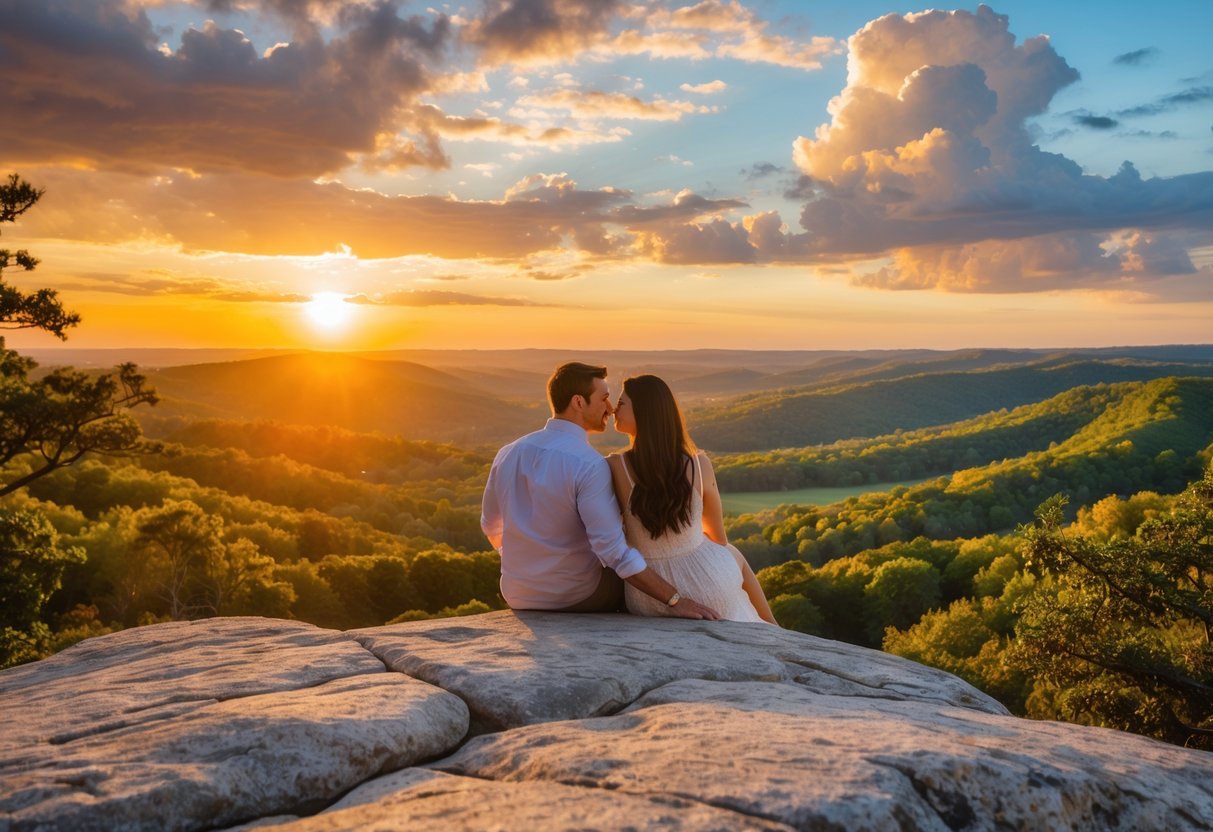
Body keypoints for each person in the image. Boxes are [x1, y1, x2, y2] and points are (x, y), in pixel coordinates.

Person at [481, 362, 720, 618]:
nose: (610, 408)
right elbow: (614, 553)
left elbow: (490, 525)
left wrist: (522, 563)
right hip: (578, 594)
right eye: (604, 398)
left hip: (518, 593)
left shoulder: (508, 453)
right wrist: (675, 600)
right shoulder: (589, 464)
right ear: (578, 402)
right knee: (639, 584)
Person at [607, 374, 777, 624]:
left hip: (647, 594)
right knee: (733, 554)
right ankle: (777, 630)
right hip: (708, 588)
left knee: (731, 555)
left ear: (643, 412)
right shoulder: (699, 465)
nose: (613, 409)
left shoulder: (614, 466)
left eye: (621, 403)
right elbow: (718, 538)